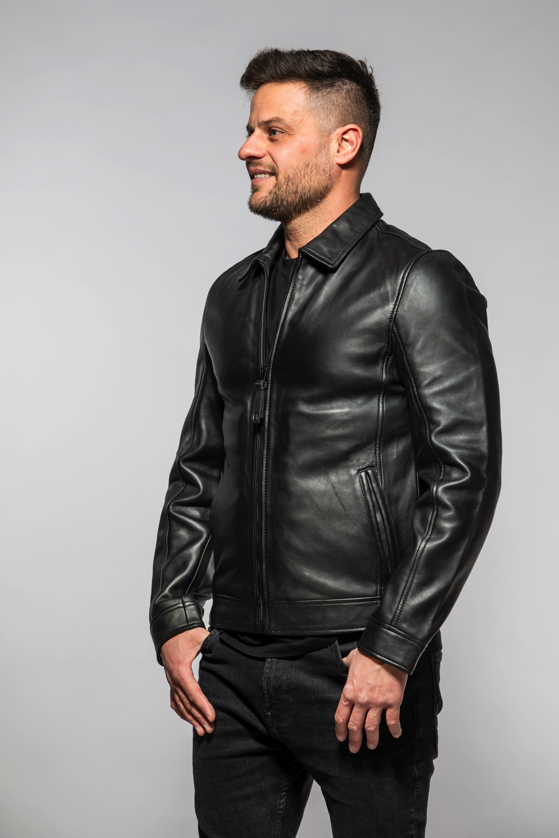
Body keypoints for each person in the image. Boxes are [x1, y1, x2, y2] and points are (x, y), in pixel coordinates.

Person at [149, 48, 501, 838]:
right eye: (250, 129)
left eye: (273, 131)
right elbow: (199, 465)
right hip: (232, 661)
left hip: (356, 659)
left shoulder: (417, 280)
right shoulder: (231, 293)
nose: (246, 147)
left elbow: (463, 475)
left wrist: (394, 645)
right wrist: (174, 613)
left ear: (344, 143)